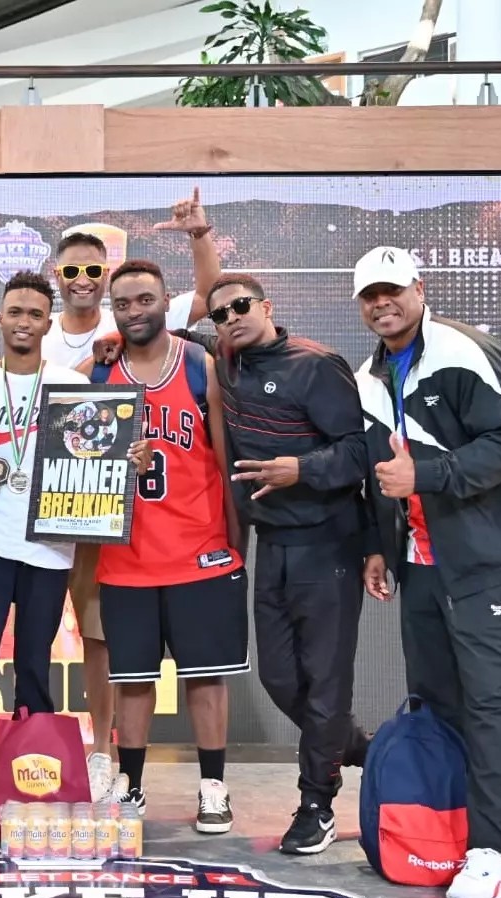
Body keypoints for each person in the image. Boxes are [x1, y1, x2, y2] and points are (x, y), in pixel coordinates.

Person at [0, 189, 221, 801]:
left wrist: (198, 235)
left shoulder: (124, 321)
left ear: (107, 275)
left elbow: (209, 297)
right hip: (25, 523)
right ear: (56, 277)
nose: (82, 279)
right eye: (71, 270)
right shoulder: (36, 344)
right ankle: (17, 778)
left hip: (96, 513)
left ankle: (103, 752)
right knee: (43, 652)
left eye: (93, 270)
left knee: (99, 636)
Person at [352, 246, 501, 898]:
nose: (382, 303)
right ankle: (453, 829)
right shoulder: (368, 377)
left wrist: (426, 475)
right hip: (419, 564)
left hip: (483, 559)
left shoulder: (464, 351)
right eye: (370, 294)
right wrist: (379, 548)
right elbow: (379, 472)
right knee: (435, 700)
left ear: (419, 288)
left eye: (393, 290)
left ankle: (492, 850)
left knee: (488, 701)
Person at [0, 271, 152, 849]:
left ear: (47, 321)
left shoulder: (70, 384)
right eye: (15, 312)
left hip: (50, 550)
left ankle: (36, 795)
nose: (24, 322)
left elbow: (100, 451)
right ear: (0, 317)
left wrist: (129, 458)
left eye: (35, 313)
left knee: (34, 671)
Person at [184, 273, 373, 855]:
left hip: (328, 541)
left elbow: (360, 450)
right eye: (220, 314)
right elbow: (163, 328)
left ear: (266, 307)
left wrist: (302, 469)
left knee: (324, 682)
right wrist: (108, 341)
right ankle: (356, 748)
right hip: (273, 544)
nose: (231, 318)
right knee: (279, 677)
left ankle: (316, 803)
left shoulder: (316, 364)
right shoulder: (226, 359)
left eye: (241, 306)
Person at [80, 259, 249, 834]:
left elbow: (224, 457)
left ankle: (213, 786)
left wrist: (235, 540)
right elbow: (50, 416)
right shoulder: (98, 372)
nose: (134, 311)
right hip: (126, 556)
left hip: (199, 549)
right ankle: (130, 784)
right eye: (123, 303)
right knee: (132, 680)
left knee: (206, 676)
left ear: (165, 300)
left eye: (145, 300)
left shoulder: (199, 364)